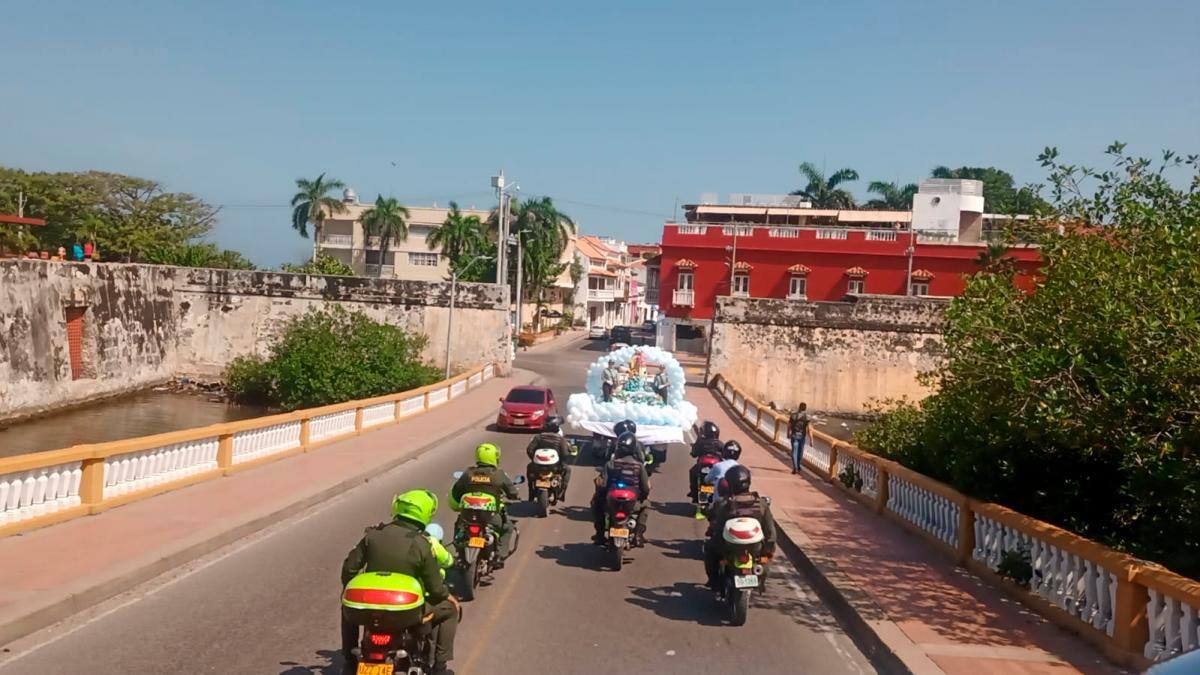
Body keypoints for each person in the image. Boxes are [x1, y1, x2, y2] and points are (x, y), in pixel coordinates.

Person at [340, 490, 459, 675]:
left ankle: (349, 660)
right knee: (450, 611)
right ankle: (440, 667)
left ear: (397, 508)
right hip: (404, 612)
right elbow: (435, 589)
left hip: (368, 610)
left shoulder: (373, 535)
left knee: (346, 608)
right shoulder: (422, 544)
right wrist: (449, 597)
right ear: (426, 513)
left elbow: (348, 571)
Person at [704, 465, 777, 593]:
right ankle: (761, 580)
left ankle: (714, 581)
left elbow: (715, 523)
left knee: (709, 549)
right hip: (755, 548)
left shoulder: (724, 504)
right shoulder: (761, 504)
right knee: (766, 558)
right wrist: (768, 550)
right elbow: (770, 531)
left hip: (728, 548)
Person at [449, 443, 520, 568]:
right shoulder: (498, 474)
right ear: (495, 457)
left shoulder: (468, 473)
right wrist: (514, 495)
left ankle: (459, 552)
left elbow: (456, 493)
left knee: (459, 527)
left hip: (467, 517)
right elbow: (512, 492)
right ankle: (499, 556)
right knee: (508, 527)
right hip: (491, 518)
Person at [591, 432, 651, 546]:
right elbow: (645, 488)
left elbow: (603, 485)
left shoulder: (611, 464)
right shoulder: (639, 466)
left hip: (610, 503)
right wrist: (643, 497)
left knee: (596, 505)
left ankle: (599, 534)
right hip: (633, 505)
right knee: (647, 505)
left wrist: (600, 494)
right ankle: (638, 535)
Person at [525, 416, 572, 500]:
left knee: (529, 468)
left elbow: (529, 450)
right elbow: (565, 454)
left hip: (537, 467)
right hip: (555, 468)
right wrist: (561, 462)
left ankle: (531, 491)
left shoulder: (538, 437)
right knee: (568, 469)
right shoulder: (561, 439)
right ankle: (562, 492)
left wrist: (534, 460)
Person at [687, 421, 723, 500]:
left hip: (704, 468)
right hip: (715, 469)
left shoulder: (701, 443)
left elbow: (694, 453)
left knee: (692, 472)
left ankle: (693, 491)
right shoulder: (720, 443)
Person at [705, 440, 743, 507]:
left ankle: (703, 505)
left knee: (704, 488)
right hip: (736, 504)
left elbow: (707, 480)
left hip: (718, 503)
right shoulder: (741, 469)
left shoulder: (718, 466)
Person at [788, 403, 812, 474]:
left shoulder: (793, 415)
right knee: (800, 452)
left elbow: (789, 425)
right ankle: (798, 465)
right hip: (802, 437)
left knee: (794, 452)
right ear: (805, 408)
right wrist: (811, 440)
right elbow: (810, 429)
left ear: (799, 408)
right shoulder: (807, 417)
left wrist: (788, 433)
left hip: (794, 435)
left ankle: (795, 466)